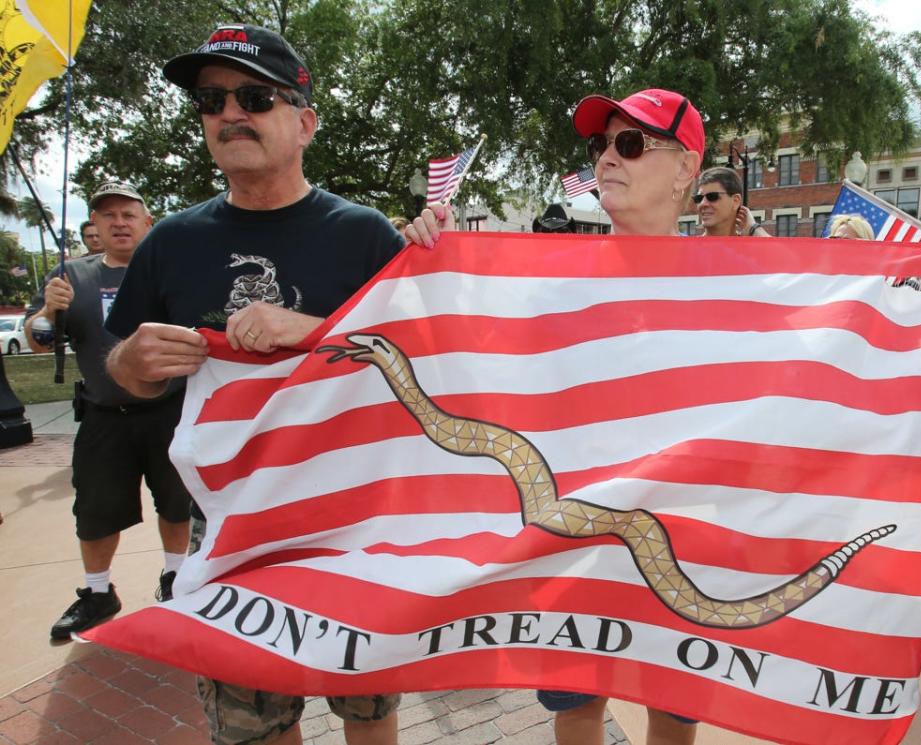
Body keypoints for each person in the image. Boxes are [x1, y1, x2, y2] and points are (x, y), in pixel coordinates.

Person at [103, 24, 406, 745]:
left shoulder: (365, 236)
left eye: (254, 96)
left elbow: (423, 360)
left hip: (353, 528)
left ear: (304, 120)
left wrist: (308, 327)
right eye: (212, 100)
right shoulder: (171, 242)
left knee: (369, 714)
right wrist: (132, 365)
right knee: (253, 730)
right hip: (232, 530)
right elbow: (123, 368)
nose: (229, 113)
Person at [405, 87, 703, 745]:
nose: (607, 159)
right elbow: (457, 364)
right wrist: (424, 268)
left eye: (631, 144)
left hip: (685, 538)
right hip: (576, 535)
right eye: (600, 145)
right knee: (576, 707)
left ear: (686, 169)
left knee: (672, 708)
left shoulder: (737, 286)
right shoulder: (549, 282)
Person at [24, 181, 191, 641]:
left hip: (169, 410)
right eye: (108, 215)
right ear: (93, 224)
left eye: (128, 214)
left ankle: (176, 579)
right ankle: (97, 593)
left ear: (147, 223)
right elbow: (40, 340)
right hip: (103, 415)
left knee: (177, 502)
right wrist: (42, 315)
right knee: (95, 509)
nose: (119, 223)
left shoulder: (169, 272)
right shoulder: (71, 278)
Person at [695, 166, 769, 237]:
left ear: (735, 201)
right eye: (699, 198)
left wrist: (753, 228)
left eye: (712, 196)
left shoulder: (749, 247)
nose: (702, 204)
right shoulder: (687, 247)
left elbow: (777, 249)